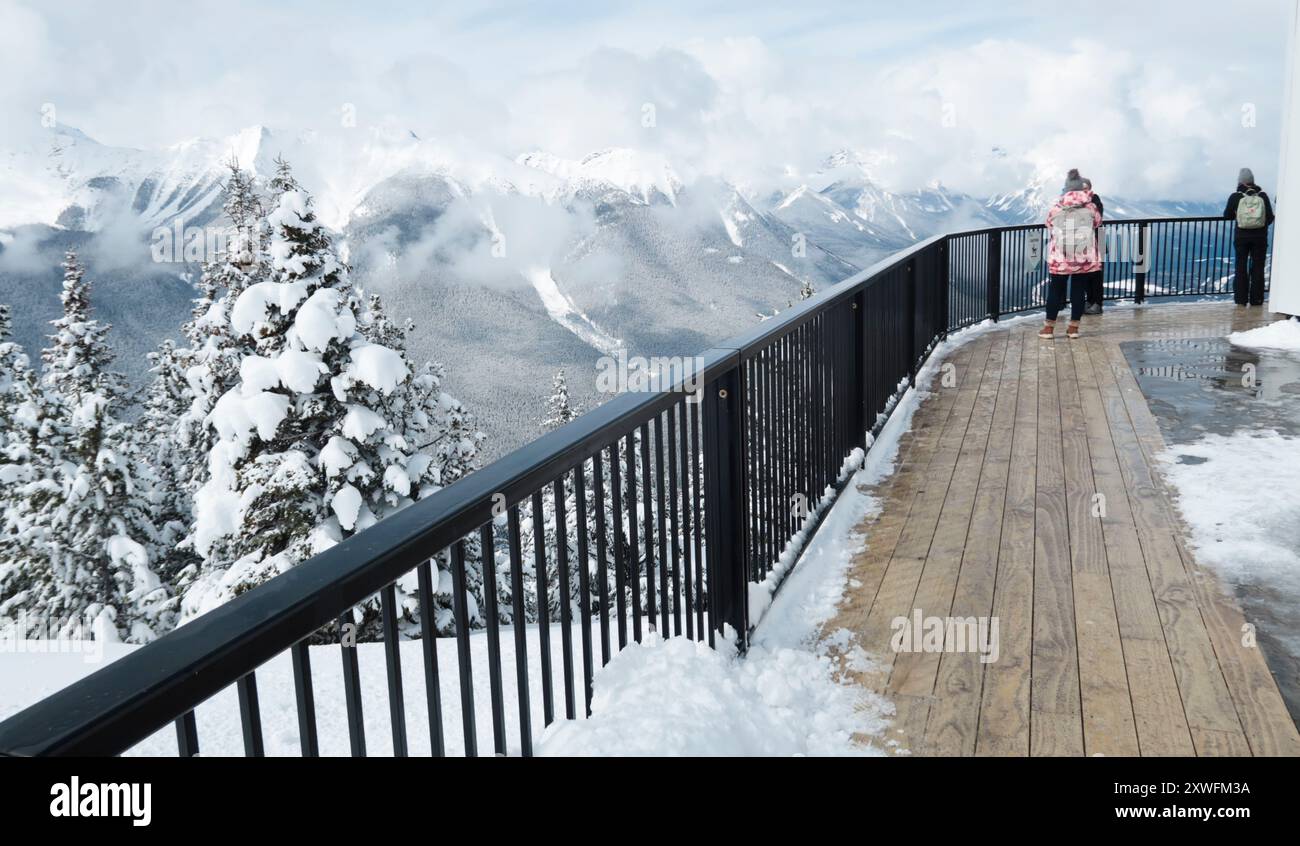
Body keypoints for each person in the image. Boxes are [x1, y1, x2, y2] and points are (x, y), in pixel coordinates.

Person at [1040, 169, 1102, 339]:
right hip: (1083, 256)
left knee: (1055, 291)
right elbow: (1097, 223)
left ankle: (1048, 329)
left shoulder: (1057, 207)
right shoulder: (1091, 206)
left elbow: (1049, 224)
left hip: (1061, 257)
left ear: (1067, 188)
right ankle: (1073, 328)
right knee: (1078, 291)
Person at [1223, 168, 1275, 306]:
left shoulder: (1236, 196)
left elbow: (1227, 215)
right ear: (1253, 181)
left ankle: (1240, 299)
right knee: (1258, 267)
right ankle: (1256, 299)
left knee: (1241, 267)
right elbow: (1269, 217)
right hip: (1260, 237)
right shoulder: (1262, 196)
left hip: (1241, 237)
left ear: (1240, 181)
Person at [1081, 177, 1105, 314]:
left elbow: (1095, 219)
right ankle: (1089, 301)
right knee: (1086, 274)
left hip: (1096, 240)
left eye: (1085, 188)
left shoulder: (1095, 200)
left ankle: (1097, 303)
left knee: (1096, 274)